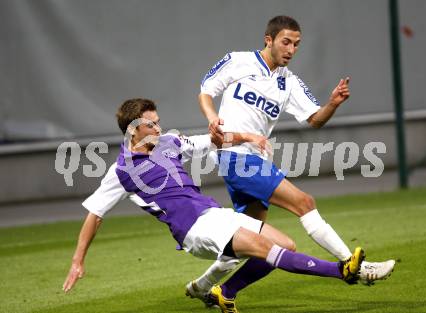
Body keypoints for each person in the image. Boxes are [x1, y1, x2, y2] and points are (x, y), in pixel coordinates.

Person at [63, 98, 366, 312]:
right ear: (133, 130)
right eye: (151, 125)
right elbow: (95, 215)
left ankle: (223, 291)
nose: (158, 128)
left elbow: (212, 140)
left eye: (158, 122)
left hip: (213, 213)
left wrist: (248, 136)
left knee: (286, 244)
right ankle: (341, 271)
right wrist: (78, 261)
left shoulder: (169, 142)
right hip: (194, 229)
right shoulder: (121, 170)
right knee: (265, 249)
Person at [187, 15, 395, 308]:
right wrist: (212, 119)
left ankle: (213, 289)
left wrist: (333, 103)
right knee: (304, 202)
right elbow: (206, 90)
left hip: (254, 159)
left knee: (257, 244)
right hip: (235, 156)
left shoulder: (289, 82)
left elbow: (314, 119)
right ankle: (353, 265)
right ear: (268, 40)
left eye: (297, 44)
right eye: (286, 42)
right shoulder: (239, 61)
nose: (291, 49)